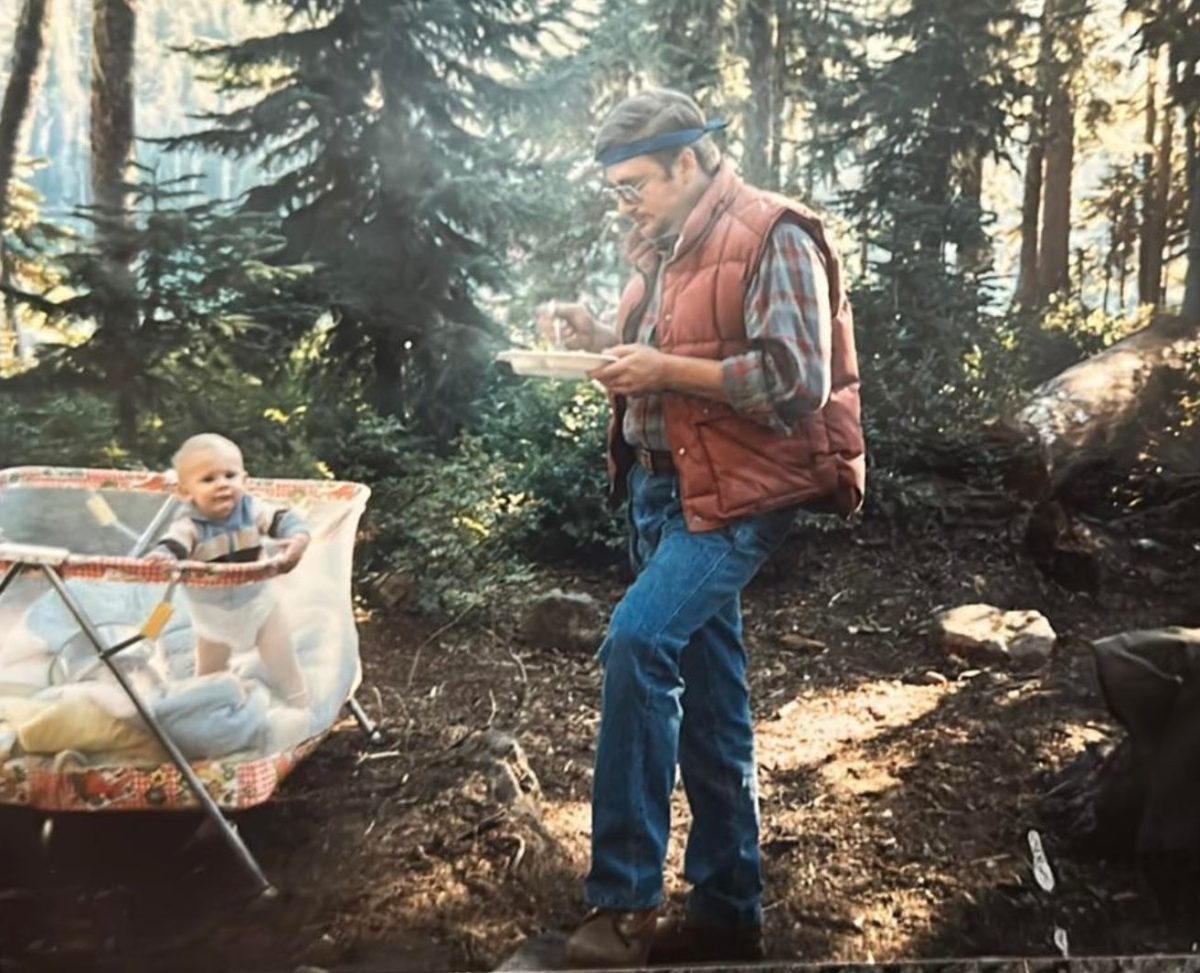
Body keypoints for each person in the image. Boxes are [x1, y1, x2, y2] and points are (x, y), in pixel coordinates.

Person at [537, 88, 866, 968]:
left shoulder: (773, 233)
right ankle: (728, 911)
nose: (626, 201)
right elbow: (666, 360)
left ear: (690, 160)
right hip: (661, 491)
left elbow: (793, 382)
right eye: (616, 188)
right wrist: (600, 339)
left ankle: (623, 904)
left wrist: (662, 367)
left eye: (636, 182)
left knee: (638, 643)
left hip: (738, 498)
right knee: (713, 704)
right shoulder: (659, 242)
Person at [146, 433, 311, 709]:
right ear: (186, 492)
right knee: (211, 676)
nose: (222, 484)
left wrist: (298, 538)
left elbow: (283, 519)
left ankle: (301, 706)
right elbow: (175, 543)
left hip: (260, 606)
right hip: (213, 617)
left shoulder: (251, 509)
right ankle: (210, 712)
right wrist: (162, 557)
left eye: (230, 475)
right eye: (208, 479)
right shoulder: (190, 524)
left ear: (244, 480)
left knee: (283, 661)